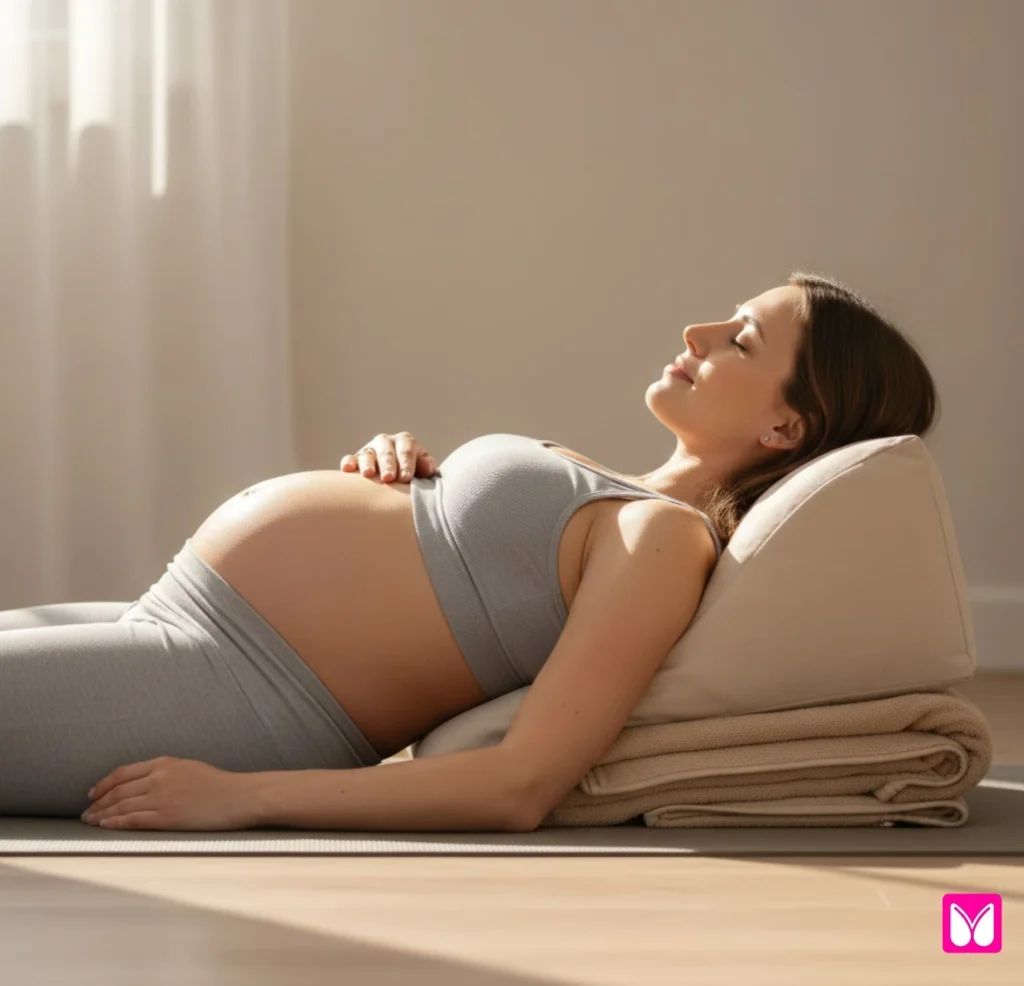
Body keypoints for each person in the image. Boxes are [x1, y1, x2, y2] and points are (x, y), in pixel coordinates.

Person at [0, 271, 938, 834]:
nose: (696, 335)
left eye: (740, 340)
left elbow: (520, 783)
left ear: (786, 425)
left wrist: (240, 798)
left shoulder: (664, 544)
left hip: (231, 691)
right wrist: (401, 476)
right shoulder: (613, 491)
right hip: (173, 621)